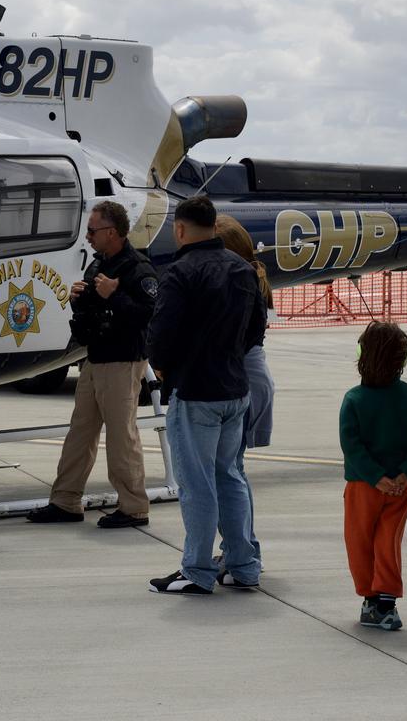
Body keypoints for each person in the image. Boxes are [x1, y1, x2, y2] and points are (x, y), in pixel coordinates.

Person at [144, 194, 266, 596]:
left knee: (197, 485)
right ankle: (243, 565)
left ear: (179, 229)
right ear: (215, 226)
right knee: (230, 477)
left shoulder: (180, 273)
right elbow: (254, 331)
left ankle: (196, 568)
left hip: (196, 391)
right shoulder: (242, 271)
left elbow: (160, 337)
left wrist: (166, 369)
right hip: (235, 389)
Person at [27, 200, 159, 529]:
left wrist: (114, 295)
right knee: (80, 434)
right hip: (95, 358)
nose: (87, 236)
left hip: (122, 361)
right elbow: (93, 308)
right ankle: (66, 501)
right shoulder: (99, 263)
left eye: (92, 230)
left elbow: (147, 315)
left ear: (111, 232)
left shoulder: (137, 268)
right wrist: (80, 298)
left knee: (121, 438)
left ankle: (133, 507)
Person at [339, 321, 407, 632]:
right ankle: (387, 600)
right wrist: (406, 473)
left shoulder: (353, 399)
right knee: (388, 540)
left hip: (362, 486)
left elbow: (351, 444)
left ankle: (370, 598)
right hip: (400, 487)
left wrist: (374, 476)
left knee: (360, 541)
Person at [217, 213, 273, 560]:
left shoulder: (238, 285)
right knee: (234, 470)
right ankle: (243, 546)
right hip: (253, 378)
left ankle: (243, 549)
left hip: (244, 381)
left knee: (230, 471)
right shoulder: (250, 280)